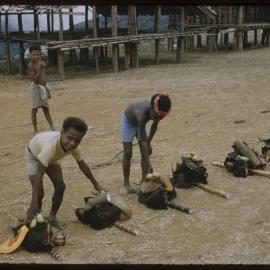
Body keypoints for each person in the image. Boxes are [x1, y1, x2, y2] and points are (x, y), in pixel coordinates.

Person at [25, 116, 106, 229]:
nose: (73, 143)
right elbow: (39, 176)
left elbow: (82, 165)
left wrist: (95, 184)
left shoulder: (73, 147)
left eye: (77, 141)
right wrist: (33, 202)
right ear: (62, 132)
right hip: (34, 154)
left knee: (60, 187)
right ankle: (35, 217)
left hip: (51, 158)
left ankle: (52, 218)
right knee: (39, 193)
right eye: (70, 138)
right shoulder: (50, 147)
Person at [119, 93, 172, 196]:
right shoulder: (142, 115)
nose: (157, 119)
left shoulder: (158, 113)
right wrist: (147, 154)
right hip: (128, 122)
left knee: (146, 151)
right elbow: (143, 140)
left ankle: (144, 182)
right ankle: (126, 184)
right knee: (128, 152)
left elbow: (154, 126)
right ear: (151, 109)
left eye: (161, 118)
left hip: (140, 125)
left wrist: (149, 143)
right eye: (156, 117)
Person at [28, 45, 55, 134]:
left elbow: (44, 78)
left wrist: (48, 91)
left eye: (37, 54)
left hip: (43, 88)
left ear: (40, 55)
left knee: (46, 109)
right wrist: (40, 69)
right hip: (35, 88)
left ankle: (52, 127)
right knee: (34, 109)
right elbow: (35, 79)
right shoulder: (31, 65)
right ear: (30, 55)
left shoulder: (41, 63)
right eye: (33, 54)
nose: (35, 56)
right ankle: (35, 129)